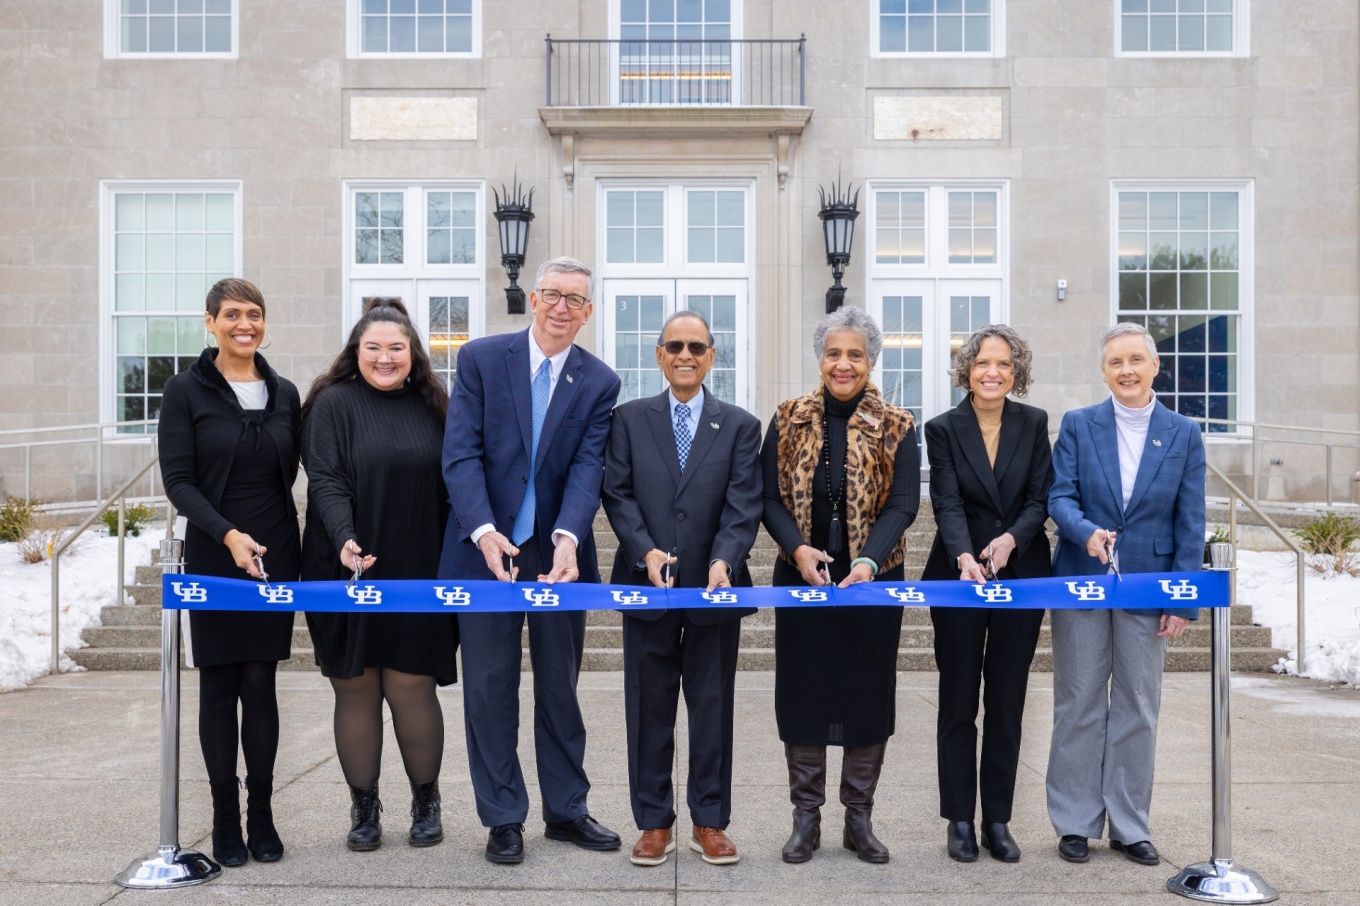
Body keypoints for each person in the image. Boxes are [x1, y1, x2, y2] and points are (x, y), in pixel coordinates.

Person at [439, 256, 622, 865]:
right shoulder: (482, 360)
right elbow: (461, 454)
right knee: (489, 688)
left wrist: (572, 536)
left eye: (575, 299)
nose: (562, 307)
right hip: (484, 550)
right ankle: (503, 817)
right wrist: (484, 530)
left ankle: (566, 810)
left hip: (557, 557)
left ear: (588, 312)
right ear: (534, 298)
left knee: (560, 689)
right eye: (552, 295)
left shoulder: (599, 381)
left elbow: (587, 466)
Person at [601, 311, 763, 868]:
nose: (685, 354)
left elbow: (745, 504)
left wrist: (724, 559)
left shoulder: (740, 425)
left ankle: (710, 821)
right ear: (659, 354)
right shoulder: (628, 419)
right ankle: (653, 822)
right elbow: (617, 494)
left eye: (697, 346)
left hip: (714, 594)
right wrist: (643, 549)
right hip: (646, 591)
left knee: (712, 710)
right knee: (648, 710)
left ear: (712, 357)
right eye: (675, 345)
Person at [761, 304, 920, 865]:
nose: (844, 364)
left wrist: (871, 562)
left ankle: (858, 820)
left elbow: (903, 505)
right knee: (802, 693)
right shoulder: (786, 418)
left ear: (871, 360)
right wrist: (798, 549)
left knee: (867, 695)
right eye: (834, 353)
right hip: (801, 580)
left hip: (872, 584)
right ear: (820, 359)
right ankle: (805, 820)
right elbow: (770, 499)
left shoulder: (898, 424)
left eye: (855, 354)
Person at [1046, 321, 1205, 867]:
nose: (1127, 371)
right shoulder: (1078, 425)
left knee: (1139, 705)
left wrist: (1181, 599)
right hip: (1082, 580)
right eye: (1116, 362)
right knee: (1078, 702)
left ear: (1155, 366)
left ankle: (1129, 824)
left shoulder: (1184, 432)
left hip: (1148, 585)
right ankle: (1074, 821)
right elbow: (1059, 496)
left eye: (1136, 360)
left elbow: (1191, 520)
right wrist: (1083, 530)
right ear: (1104, 370)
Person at [300, 298, 456, 853]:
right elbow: (325, 480)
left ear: (413, 354)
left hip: (419, 564)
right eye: (374, 348)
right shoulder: (331, 405)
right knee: (357, 688)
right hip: (345, 563)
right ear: (356, 352)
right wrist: (345, 538)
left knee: (412, 685)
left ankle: (425, 800)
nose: (385, 357)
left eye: (397, 347)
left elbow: (457, 482)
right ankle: (364, 807)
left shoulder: (436, 405)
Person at [158, 277, 299, 867]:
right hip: (216, 553)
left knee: (260, 683)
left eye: (256, 314)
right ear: (211, 321)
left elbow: (288, 472)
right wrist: (228, 534)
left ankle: (262, 813)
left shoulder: (285, 391)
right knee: (218, 685)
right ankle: (223, 819)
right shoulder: (184, 391)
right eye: (234, 314)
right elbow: (179, 481)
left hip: (273, 556)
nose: (247, 324)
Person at [920, 325, 1053, 864]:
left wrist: (1011, 538)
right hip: (959, 575)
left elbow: (1040, 497)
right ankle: (959, 818)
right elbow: (946, 501)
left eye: (1002, 363)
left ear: (1015, 370)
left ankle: (997, 817)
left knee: (1005, 699)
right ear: (967, 370)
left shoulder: (1035, 422)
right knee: (957, 697)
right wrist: (966, 554)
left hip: (1020, 574)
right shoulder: (943, 428)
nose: (991, 372)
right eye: (981, 363)